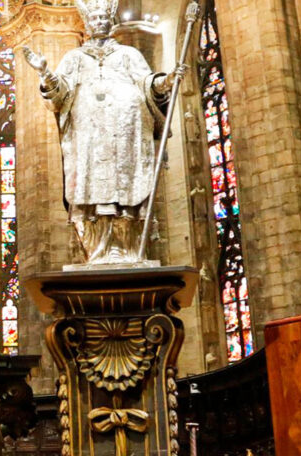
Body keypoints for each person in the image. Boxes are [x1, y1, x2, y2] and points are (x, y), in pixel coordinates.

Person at [21, 0, 184, 265]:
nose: (98, 21)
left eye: (102, 17)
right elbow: (59, 95)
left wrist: (166, 81)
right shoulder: (74, 58)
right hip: (89, 138)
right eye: (93, 17)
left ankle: (129, 250)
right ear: (86, 22)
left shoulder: (129, 54)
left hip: (126, 134)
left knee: (126, 191)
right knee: (92, 192)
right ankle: (98, 250)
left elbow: (147, 84)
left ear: (110, 21)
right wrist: (44, 71)